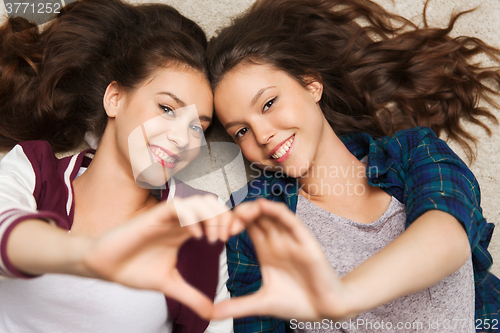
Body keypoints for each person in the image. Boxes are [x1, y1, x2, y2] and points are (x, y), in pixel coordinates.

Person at [205, 0, 500, 331]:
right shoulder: (252, 231)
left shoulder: (412, 153)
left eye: (269, 103)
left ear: (311, 86)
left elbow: (449, 234)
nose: (261, 134)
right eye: (241, 130)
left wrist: (339, 297)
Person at [0, 0, 238, 332]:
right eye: (167, 108)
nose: (183, 138)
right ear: (115, 98)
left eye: (197, 126)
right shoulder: (32, 170)